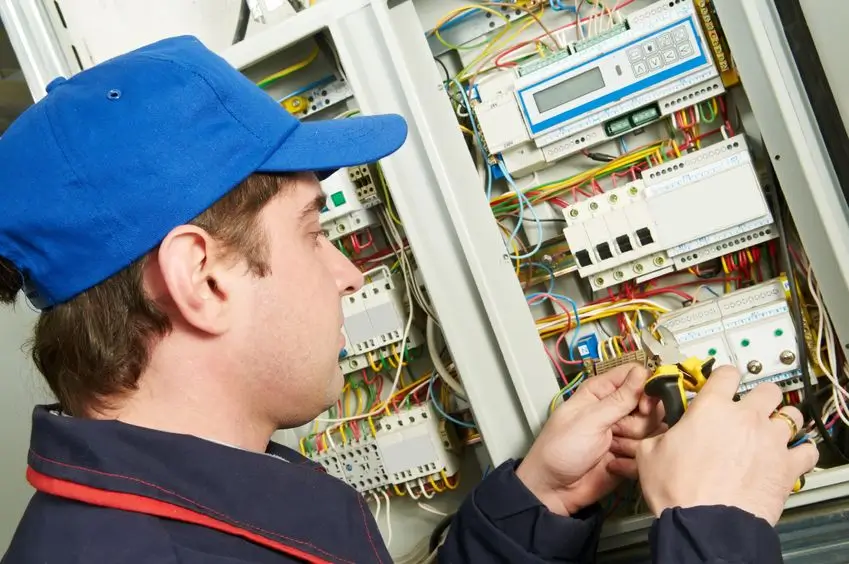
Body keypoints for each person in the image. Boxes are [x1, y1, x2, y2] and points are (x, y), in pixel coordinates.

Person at [0, 36, 817, 564]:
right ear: (202, 279)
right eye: (315, 232)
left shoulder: (201, 496)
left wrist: (541, 499)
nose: (348, 274)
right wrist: (715, 531)